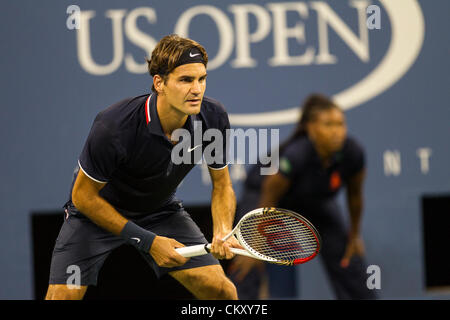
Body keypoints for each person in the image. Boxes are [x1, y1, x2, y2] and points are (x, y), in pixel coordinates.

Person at [45, 34, 241, 300]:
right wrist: (148, 241)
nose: (197, 89)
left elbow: (222, 184)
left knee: (222, 291)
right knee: (62, 298)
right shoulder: (114, 126)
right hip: (94, 216)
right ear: (159, 83)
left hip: (158, 212)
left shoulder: (213, 117)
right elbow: (83, 197)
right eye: (185, 80)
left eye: (201, 79)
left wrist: (221, 231)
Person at [227, 94, 377, 300]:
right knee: (248, 257)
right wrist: (256, 241)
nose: (337, 131)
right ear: (311, 128)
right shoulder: (297, 154)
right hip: (266, 198)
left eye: (340, 124)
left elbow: (355, 196)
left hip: (313, 202)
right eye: (328, 124)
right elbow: (270, 192)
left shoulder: (353, 152)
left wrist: (355, 235)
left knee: (348, 253)